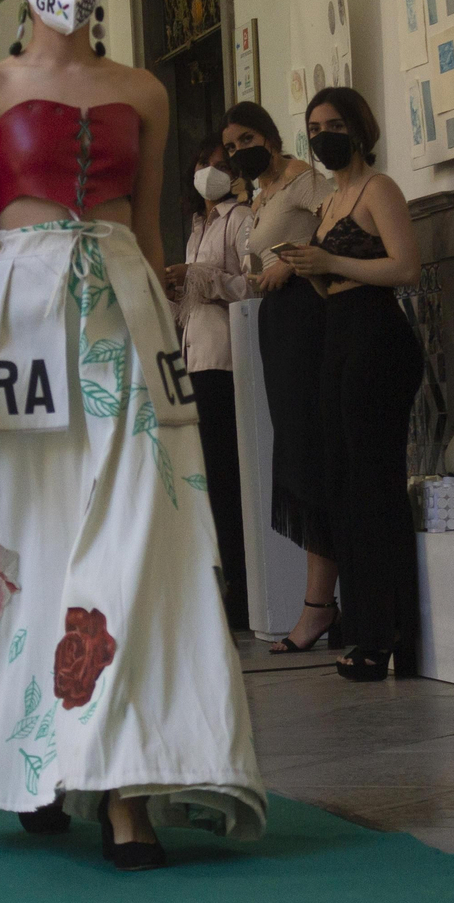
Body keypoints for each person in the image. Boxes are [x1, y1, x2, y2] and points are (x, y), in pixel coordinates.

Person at [0, 0, 265, 870]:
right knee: (28, 539)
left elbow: (147, 232)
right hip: (19, 318)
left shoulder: (141, 90)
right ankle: (37, 759)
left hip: (128, 325)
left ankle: (127, 787)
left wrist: (173, 342)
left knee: (146, 540)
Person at [279, 86, 423, 681]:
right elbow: (332, 279)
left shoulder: (377, 189)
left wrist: (331, 263)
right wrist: (308, 269)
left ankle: (385, 634)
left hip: (376, 337)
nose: (322, 135)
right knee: (342, 484)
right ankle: (361, 625)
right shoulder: (330, 203)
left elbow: (405, 267)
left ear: (358, 127)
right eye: (313, 127)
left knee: (373, 484)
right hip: (337, 334)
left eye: (333, 124)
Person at [225, 102, 339, 655]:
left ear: (270, 136)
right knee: (294, 451)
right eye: (229, 147)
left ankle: (320, 603)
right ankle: (321, 597)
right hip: (277, 321)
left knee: (312, 452)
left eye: (246, 138)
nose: (238, 152)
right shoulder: (259, 196)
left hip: (309, 314)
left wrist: (292, 263)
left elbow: (341, 221)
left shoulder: (303, 181)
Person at [165, 134, 253, 630]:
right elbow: (191, 302)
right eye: (204, 163)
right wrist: (177, 288)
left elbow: (252, 283)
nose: (211, 171)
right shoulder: (198, 226)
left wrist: (200, 278)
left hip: (224, 360)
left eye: (221, 165)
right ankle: (218, 586)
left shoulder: (241, 220)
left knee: (225, 481)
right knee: (203, 484)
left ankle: (241, 592)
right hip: (193, 357)